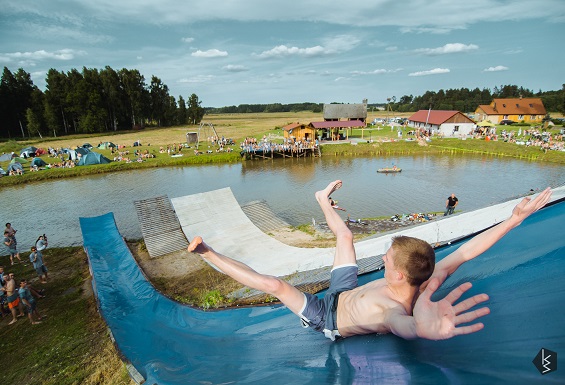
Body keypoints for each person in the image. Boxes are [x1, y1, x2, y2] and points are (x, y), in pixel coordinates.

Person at [187, 180, 552, 341]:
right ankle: (320, 200)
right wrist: (514, 218)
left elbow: (402, 327)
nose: (381, 255)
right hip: (345, 291)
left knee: (276, 285)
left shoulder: (392, 313)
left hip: (326, 316)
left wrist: (422, 329)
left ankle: (208, 253)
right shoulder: (428, 275)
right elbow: (467, 250)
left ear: (395, 273)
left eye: (386, 256)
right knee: (345, 236)